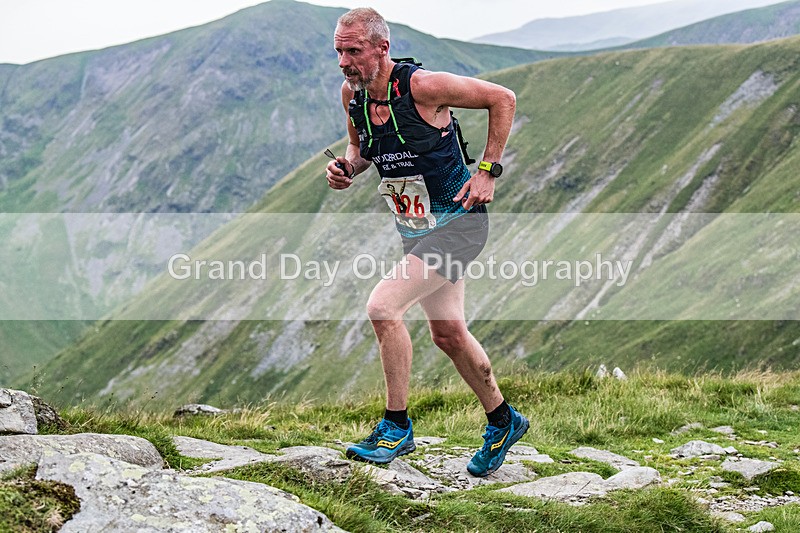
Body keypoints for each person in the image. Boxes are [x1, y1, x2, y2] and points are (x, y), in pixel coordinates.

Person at [325, 7, 528, 477]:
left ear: (382, 48)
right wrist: (346, 170)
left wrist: (488, 171)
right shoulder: (351, 95)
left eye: (354, 51)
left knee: (382, 308)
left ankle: (396, 426)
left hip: (458, 223)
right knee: (449, 333)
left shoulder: (423, 87)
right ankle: (504, 420)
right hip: (415, 229)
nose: (344, 62)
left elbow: (503, 98)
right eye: (338, 51)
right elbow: (359, 151)